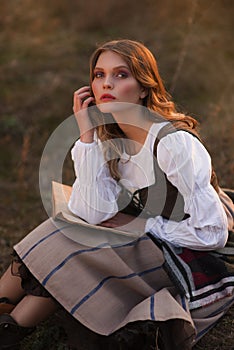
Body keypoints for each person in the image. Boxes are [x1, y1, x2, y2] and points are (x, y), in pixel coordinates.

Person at [0, 39, 233, 350]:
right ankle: (5, 314)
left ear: (144, 88)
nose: (106, 83)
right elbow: (91, 212)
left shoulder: (173, 144)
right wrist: (86, 136)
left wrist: (142, 226)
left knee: (77, 247)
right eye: (99, 75)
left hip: (187, 247)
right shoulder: (110, 139)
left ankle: (11, 329)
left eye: (121, 75)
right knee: (68, 228)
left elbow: (212, 233)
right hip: (145, 236)